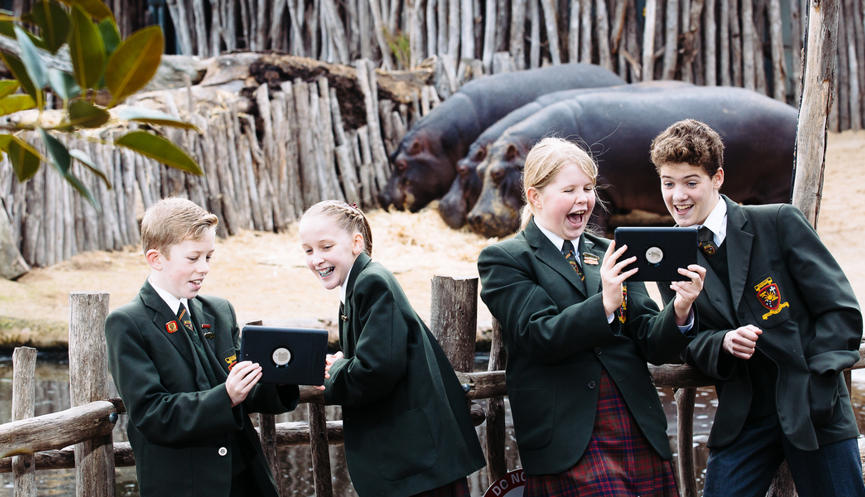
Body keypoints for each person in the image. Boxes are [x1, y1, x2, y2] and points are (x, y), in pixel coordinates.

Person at [477, 137, 706, 496]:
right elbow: (539, 335)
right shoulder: (505, 259)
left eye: (588, 188)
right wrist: (605, 303)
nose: (583, 199)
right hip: (566, 437)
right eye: (568, 189)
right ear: (535, 197)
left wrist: (680, 310)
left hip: (634, 425)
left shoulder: (611, 251)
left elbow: (650, 341)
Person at [650, 119, 865, 497]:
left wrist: (818, 381)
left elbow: (841, 310)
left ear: (717, 178)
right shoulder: (667, 254)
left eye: (690, 182)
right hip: (743, 418)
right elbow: (688, 344)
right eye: (668, 183)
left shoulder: (778, 222)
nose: (677, 196)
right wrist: (723, 341)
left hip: (815, 409)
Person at [105, 198, 299, 497]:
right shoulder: (128, 323)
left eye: (209, 256)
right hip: (184, 485)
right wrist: (226, 396)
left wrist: (285, 374)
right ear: (156, 259)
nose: (204, 268)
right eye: (193, 258)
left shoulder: (219, 311)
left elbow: (246, 393)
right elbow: (152, 415)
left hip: (246, 478)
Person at [299, 200, 486, 497]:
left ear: (356, 243)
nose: (317, 259)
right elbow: (374, 353)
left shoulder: (371, 283)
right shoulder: (355, 285)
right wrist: (346, 361)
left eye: (326, 247)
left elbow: (376, 369)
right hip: (414, 458)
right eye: (308, 250)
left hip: (417, 459)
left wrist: (335, 370)